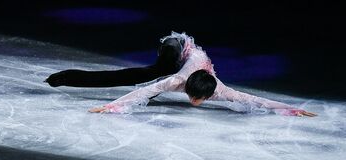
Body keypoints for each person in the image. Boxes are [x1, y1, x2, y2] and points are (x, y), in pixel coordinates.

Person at [44, 31, 316, 117]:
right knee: (151, 74)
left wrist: (291, 109)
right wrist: (111, 106)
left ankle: (67, 77)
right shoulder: (177, 80)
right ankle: (68, 77)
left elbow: (253, 99)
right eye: (195, 98)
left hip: (190, 61)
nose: (196, 103)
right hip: (175, 48)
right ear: (188, 88)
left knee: (145, 76)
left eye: (200, 100)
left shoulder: (219, 90)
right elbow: (145, 91)